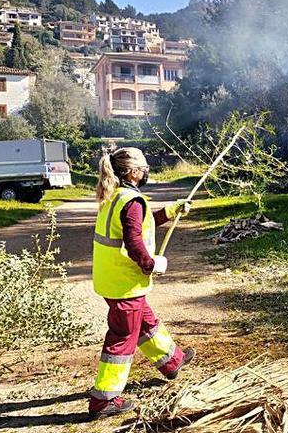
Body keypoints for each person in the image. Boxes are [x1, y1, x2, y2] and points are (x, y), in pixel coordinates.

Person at [87, 147, 195, 419]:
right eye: (144, 168)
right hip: (125, 283)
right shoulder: (131, 201)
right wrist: (152, 264)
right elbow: (134, 242)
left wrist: (171, 210)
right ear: (134, 172)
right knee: (123, 338)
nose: (146, 172)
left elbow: (141, 224)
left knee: (146, 321)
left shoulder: (117, 196)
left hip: (113, 280)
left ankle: (172, 362)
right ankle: (104, 401)